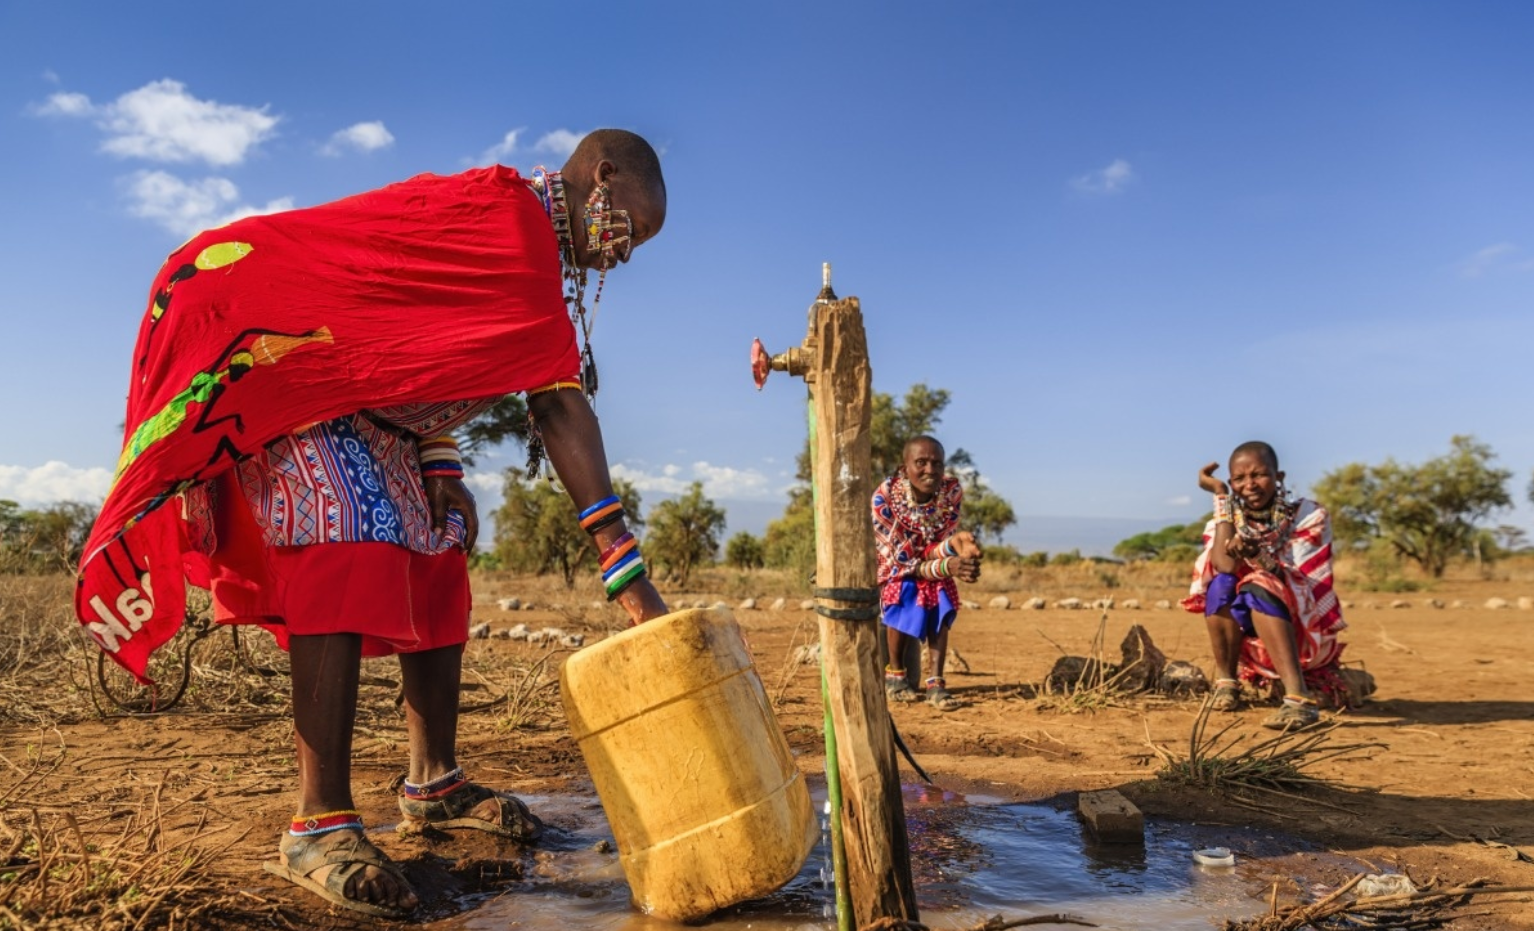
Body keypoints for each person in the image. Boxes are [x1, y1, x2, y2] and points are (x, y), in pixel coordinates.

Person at [76, 129, 670, 917]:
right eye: (630, 228)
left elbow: (418, 341)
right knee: (344, 531)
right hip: (281, 354)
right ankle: (317, 824)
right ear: (603, 178)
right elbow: (557, 403)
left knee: (436, 550)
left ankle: (435, 783)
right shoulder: (515, 224)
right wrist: (625, 569)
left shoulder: (522, 241)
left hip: (361, 397)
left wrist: (441, 465)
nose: (623, 256)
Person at [1181, 441, 1350, 730]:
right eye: (1239, 479)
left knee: (1258, 583)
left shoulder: (1308, 515)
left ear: (1278, 477)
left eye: (1259, 475)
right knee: (1220, 585)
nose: (1250, 485)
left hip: (1301, 630)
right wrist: (1221, 497)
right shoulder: (1225, 520)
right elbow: (1225, 566)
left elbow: (1301, 584)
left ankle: (1299, 699)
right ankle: (1227, 682)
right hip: (1251, 635)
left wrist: (1256, 556)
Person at [870, 436, 982, 711]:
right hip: (890, 569)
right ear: (903, 467)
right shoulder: (885, 498)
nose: (930, 470)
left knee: (941, 591)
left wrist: (955, 546)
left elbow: (933, 546)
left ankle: (936, 682)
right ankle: (895, 676)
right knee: (903, 589)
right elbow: (900, 561)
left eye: (936, 464)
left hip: (922, 564)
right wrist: (947, 565)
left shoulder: (950, 493)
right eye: (921, 462)